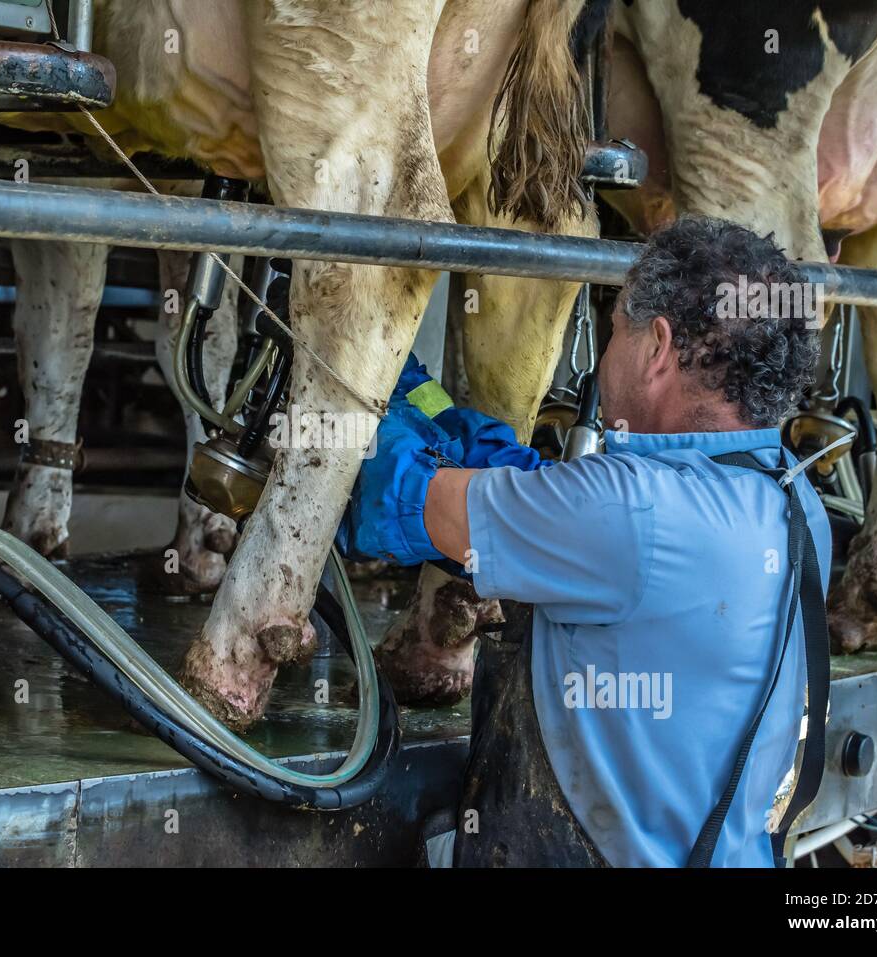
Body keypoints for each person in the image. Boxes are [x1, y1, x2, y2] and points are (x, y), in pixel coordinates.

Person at [338, 216, 831, 867]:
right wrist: (425, 401)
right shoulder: (796, 504)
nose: (604, 358)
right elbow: (562, 506)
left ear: (657, 347)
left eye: (614, 328)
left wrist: (349, 384)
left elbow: (402, 500)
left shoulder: (629, 514)